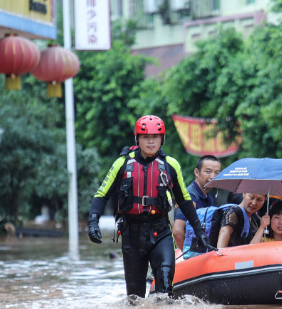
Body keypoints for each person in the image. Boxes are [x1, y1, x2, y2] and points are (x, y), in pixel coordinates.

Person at [86, 115, 212, 298]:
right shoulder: (122, 163)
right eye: (146, 137)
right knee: (135, 297)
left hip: (160, 231)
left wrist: (199, 230)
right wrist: (92, 222)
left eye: (156, 136)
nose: (151, 141)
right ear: (137, 138)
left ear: (162, 139)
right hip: (132, 234)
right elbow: (101, 194)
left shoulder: (170, 165)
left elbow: (184, 200)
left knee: (165, 281)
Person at [172, 155, 221, 249]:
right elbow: (177, 231)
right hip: (191, 255)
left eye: (217, 173)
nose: (213, 176)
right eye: (208, 172)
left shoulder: (209, 198)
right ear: (196, 172)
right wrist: (188, 256)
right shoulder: (190, 197)